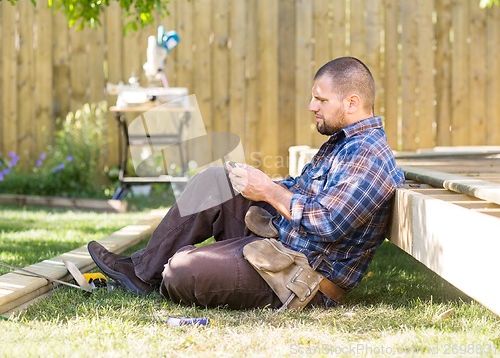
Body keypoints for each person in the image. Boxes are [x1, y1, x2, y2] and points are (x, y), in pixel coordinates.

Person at [88, 56, 405, 309]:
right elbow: (302, 186)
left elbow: (329, 221)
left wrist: (268, 190)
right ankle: (142, 274)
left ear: (351, 103)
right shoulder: (343, 143)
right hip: (281, 242)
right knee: (217, 181)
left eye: (320, 99)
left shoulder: (368, 157)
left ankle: (166, 271)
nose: (312, 106)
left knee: (180, 272)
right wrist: (256, 180)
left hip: (300, 276)